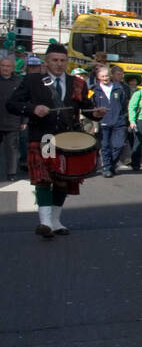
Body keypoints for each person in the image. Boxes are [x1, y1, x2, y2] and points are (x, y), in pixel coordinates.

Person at [5, 42, 106, 237]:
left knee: (62, 180)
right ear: (46, 61)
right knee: (44, 178)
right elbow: (13, 104)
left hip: (69, 139)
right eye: (55, 60)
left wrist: (97, 113)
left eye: (62, 60)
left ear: (67, 62)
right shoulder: (32, 81)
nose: (59, 64)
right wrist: (33, 109)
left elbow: (86, 107)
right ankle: (45, 223)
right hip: (46, 138)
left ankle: (55, 220)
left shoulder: (77, 83)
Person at [91, 65, 129, 178]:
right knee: (105, 146)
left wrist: (122, 116)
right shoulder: (94, 90)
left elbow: (123, 103)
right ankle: (107, 168)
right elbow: (92, 105)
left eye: (106, 76)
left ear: (110, 76)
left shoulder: (119, 88)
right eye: (102, 76)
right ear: (98, 77)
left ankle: (110, 164)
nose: (105, 78)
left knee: (119, 145)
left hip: (119, 121)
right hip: (103, 121)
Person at [0, 55, 21, 181]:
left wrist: (24, 120)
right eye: (2, 65)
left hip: (13, 120)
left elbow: (24, 101)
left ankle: (11, 173)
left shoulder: (18, 82)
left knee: (12, 148)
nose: (5, 68)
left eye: (8, 66)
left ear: (13, 68)